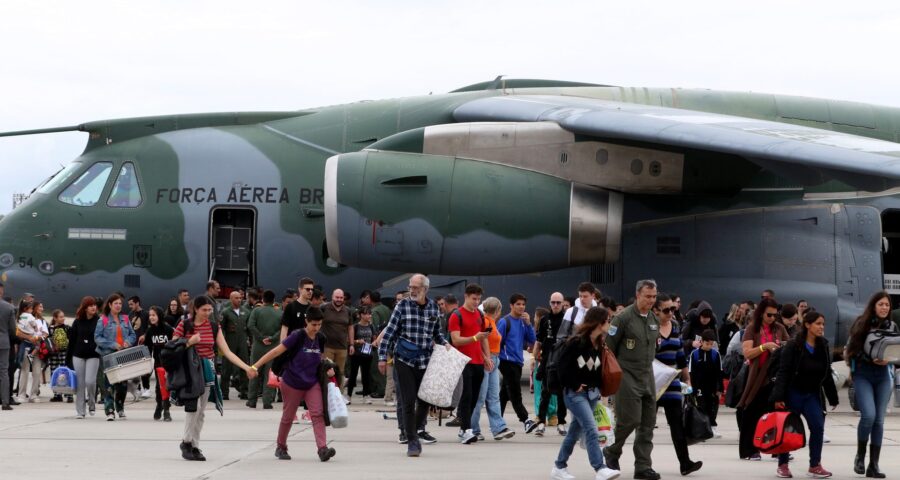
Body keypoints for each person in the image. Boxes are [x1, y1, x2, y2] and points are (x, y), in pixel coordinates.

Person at [172, 295, 257, 461]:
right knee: (193, 407)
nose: (207, 313)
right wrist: (189, 341)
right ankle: (186, 442)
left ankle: (195, 445)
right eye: (204, 310)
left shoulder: (213, 326)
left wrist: (247, 367)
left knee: (201, 412)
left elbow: (227, 351)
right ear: (195, 309)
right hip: (190, 370)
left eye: (210, 310)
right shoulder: (185, 324)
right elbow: (172, 346)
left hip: (207, 370)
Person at [377, 273, 450, 457]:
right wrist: (382, 357)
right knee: (408, 401)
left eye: (415, 287)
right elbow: (390, 332)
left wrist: (445, 343)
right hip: (404, 360)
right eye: (410, 287)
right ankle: (412, 441)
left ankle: (415, 430)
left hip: (425, 361)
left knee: (425, 401)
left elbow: (436, 333)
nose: (412, 290)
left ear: (425, 289)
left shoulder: (433, 307)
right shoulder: (402, 306)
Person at [250, 306, 336, 461]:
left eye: (319, 324)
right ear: (306, 322)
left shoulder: (321, 338)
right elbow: (276, 351)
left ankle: (322, 449)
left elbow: (320, 356)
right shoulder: (297, 336)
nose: (316, 328)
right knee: (288, 417)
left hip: (312, 382)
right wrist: (256, 365)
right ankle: (281, 447)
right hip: (292, 383)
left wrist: (328, 366)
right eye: (313, 325)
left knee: (317, 414)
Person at [550, 306, 621, 480]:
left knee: (574, 432)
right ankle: (600, 467)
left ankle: (559, 467)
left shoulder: (598, 344)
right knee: (591, 428)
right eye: (607, 320)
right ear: (599, 322)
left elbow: (596, 371)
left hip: (591, 394)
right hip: (575, 395)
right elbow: (562, 367)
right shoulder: (576, 342)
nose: (609, 323)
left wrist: (599, 389)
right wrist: (575, 385)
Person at [603, 279, 661, 480]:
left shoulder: (654, 319)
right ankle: (612, 452)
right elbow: (608, 348)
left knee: (647, 423)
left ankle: (643, 466)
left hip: (647, 376)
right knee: (630, 420)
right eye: (648, 296)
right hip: (626, 375)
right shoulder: (623, 318)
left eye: (654, 296)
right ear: (638, 295)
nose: (651, 300)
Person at [771, 311, 839, 478]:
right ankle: (783, 465)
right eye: (818, 323)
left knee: (818, 427)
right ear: (807, 325)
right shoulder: (793, 346)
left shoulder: (823, 345)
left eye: (823, 324)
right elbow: (784, 372)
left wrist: (832, 397)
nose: (821, 327)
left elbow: (826, 373)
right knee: (789, 429)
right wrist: (778, 397)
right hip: (793, 393)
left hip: (812, 394)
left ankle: (815, 465)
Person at [844, 291, 898, 478]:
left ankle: (873, 465)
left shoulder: (892, 326)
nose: (884, 307)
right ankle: (860, 456)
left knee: (879, 420)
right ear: (873, 305)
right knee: (868, 415)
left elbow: (897, 352)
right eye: (881, 304)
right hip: (863, 374)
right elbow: (849, 352)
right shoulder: (861, 324)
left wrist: (890, 360)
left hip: (883, 375)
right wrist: (870, 358)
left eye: (887, 305)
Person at [653, 294, 703, 476]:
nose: (670, 313)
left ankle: (685, 463)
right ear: (655, 311)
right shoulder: (650, 328)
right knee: (645, 427)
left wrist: (687, 379)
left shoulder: (674, 327)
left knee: (677, 425)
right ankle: (639, 463)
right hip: (653, 385)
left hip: (672, 383)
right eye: (666, 310)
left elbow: (680, 355)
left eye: (672, 309)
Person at [737, 297, 789, 461]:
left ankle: (778, 448)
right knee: (752, 412)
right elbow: (747, 352)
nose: (773, 318)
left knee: (778, 412)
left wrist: (782, 347)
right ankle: (749, 449)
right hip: (758, 376)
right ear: (761, 313)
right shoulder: (752, 328)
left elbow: (789, 345)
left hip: (776, 376)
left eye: (775, 315)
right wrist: (764, 347)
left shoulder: (779, 328)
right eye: (769, 315)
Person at [448, 284, 491, 444]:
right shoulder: (456, 315)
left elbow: (484, 337)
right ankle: (466, 429)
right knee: (466, 395)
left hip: (478, 361)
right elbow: (456, 340)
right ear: (466, 296)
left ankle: (464, 428)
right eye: (474, 298)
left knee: (474, 397)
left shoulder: (479, 314)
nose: (476, 302)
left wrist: (487, 357)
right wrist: (474, 338)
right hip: (463, 361)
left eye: (478, 299)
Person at [471, 296, 515, 441]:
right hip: (488, 360)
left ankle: (498, 427)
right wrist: (486, 357)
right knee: (481, 396)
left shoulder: (490, 322)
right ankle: (473, 428)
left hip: (493, 360)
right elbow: (480, 341)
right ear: (498, 310)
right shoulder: (487, 322)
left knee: (493, 396)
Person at [498, 293, 537, 433]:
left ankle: (497, 420)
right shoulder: (504, 322)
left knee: (504, 393)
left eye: (523, 304)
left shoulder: (522, 322)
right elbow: (497, 341)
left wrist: (528, 324)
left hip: (518, 362)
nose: (521, 307)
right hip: (506, 362)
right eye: (518, 304)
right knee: (515, 392)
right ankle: (525, 419)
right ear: (511, 305)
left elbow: (532, 340)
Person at [94, 293, 136, 420]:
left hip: (122, 355)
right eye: (115, 303)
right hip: (108, 355)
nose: (118, 306)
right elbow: (97, 338)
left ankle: (120, 408)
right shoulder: (104, 320)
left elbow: (132, 334)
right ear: (110, 305)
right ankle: (110, 410)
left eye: (120, 304)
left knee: (122, 384)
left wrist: (128, 341)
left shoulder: (125, 319)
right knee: (108, 384)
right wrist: (112, 344)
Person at [532, 291, 568, 436]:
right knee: (545, 392)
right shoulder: (544, 319)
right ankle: (541, 422)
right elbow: (539, 340)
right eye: (553, 302)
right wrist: (535, 355)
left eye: (558, 302)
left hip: (563, 361)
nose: (555, 305)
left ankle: (561, 422)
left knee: (561, 394)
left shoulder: (567, 319)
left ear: (563, 303)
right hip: (547, 361)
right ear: (550, 303)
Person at [246, 290, 281, 409]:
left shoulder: (256, 311)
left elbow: (251, 325)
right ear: (274, 300)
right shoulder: (279, 313)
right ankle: (267, 401)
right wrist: (272, 338)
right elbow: (282, 329)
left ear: (263, 299)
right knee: (269, 373)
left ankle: (251, 400)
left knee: (254, 371)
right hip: (273, 347)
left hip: (258, 347)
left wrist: (261, 338)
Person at [67, 297, 101, 418]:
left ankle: (92, 403)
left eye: (94, 305)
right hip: (78, 355)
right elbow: (71, 342)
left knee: (90, 381)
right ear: (85, 308)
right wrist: (68, 360)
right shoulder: (77, 322)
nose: (93, 307)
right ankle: (80, 411)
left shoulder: (99, 321)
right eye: (90, 305)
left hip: (93, 355)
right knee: (80, 384)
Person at [689, 330, 724, 438]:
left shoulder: (715, 354)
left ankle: (713, 427)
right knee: (701, 407)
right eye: (707, 343)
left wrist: (720, 388)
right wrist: (692, 388)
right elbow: (690, 372)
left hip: (712, 387)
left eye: (711, 344)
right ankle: (702, 429)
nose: (709, 346)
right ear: (701, 342)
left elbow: (720, 372)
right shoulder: (694, 354)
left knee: (712, 407)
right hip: (699, 386)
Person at [144, 306, 174, 421]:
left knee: (167, 386)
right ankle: (159, 405)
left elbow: (174, 345)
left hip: (169, 362)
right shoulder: (150, 331)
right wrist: (147, 364)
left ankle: (167, 409)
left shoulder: (168, 330)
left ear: (159, 316)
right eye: (150, 315)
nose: (151, 317)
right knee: (158, 387)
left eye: (154, 315)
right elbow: (148, 349)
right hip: (158, 363)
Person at [322, 288, 352, 401]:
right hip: (327, 346)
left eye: (341, 297)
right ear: (332, 297)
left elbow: (350, 327)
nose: (339, 299)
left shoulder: (347, 310)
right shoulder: (324, 308)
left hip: (342, 347)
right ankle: (326, 395)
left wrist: (352, 344)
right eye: (337, 297)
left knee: (340, 372)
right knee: (327, 371)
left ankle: (338, 396)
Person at [220, 291, 250, 400]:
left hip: (242, 342)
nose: (239, 300)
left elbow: (249, 328)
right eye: (236, 298)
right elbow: (221, 329)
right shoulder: (225, 312)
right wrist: (221, 342)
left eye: (240, 298)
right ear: (231, 299)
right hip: (229, 342)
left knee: (244, 366)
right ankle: (224, 392)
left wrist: (250, 340)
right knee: (226, 368)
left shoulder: (246, 312)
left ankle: (244, 391)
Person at [16, 299, 46, 403]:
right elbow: (18, 332)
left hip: (37, 347)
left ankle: (33, 394)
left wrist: (37, 338)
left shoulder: (42, 321)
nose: (41, 309)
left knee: (37, 371)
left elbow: (45, 334)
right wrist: (29, 337)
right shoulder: (25, 318)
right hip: (26, 346)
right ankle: (21, 394)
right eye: (39, 307)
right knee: (24, 370)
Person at [347, 306, 376, 405]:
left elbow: (374, 338)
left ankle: (366, 395)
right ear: (361, 315)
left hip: (368, 354)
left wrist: (375, 343)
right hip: (356, 354)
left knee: (366, 375)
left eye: (370, 313)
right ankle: (349, 396)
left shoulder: (371, 326)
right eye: (367, 313)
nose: (369, 315)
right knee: (353, 374)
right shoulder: (355, 326)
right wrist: (357, 341)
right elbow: (349, 340)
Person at [128, 296, 152, 399]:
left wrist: (145, 335)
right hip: (133, 345)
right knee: (135, 368)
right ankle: (137, 388)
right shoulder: (130, 315)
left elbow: (150, 328)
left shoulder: (146, 314)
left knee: (144, 367)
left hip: (145, 345)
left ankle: (146, 388)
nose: (130, 306)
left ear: (137, 303)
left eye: (132, 304)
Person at [48, 309, 73, 403]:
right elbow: (48, 340)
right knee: (54, 373)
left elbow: (71, 340)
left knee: (66, 372)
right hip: (53, 353)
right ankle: (57, 394)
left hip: (64, 353)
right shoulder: (50, 328)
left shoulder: (67, 328)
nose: (63, 318)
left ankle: (69, 394)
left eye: (63, 316)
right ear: (55, 318)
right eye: (61, 317)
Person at [0, 294, 15, 411]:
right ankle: (5, 402)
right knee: (4, 372)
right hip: (3, 342)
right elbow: (12, 329)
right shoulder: (9, 307)